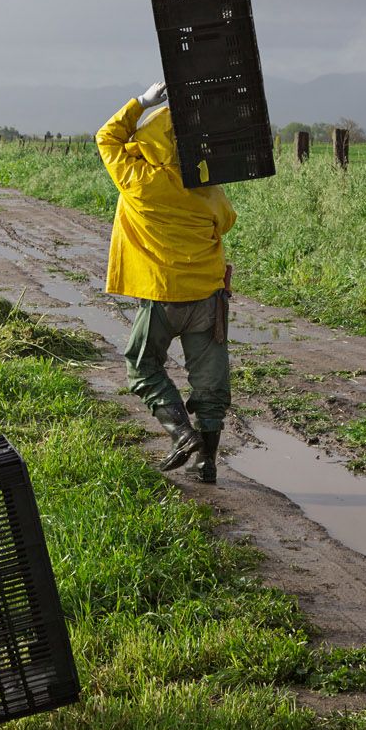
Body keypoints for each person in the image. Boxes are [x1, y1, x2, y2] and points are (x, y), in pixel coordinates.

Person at [97, 81, 237, 484]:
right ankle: (206, 462)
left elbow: (107, 137)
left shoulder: (136, 178)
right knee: (210, 382)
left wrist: (143, 102)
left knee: (142, 366)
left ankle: (180, 432)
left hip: (161, 298)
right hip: (207, 300)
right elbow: (226, 222)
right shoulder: (206, 187)